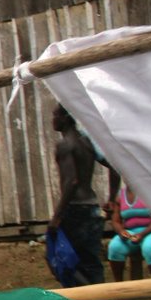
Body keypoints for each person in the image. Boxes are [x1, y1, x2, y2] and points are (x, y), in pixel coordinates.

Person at [48, 103, 105, 286]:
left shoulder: (65, 145)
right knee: (91, 258)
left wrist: (57, 217)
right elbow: (116, 168)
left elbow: (71, 181)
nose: (53, 120)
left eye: (55, 116)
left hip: (76, 209)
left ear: (65, 119)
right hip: (92, 207)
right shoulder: (86, 143)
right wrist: (111, 199)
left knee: (65, 256)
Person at [107, 181, 151, 283]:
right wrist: (121, 232)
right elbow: (115, 220)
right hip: (131, 233)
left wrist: (142, 234)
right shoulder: (121, 194)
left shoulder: (150, 190)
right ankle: (120, 289)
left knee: (149, 248)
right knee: (115, 247)